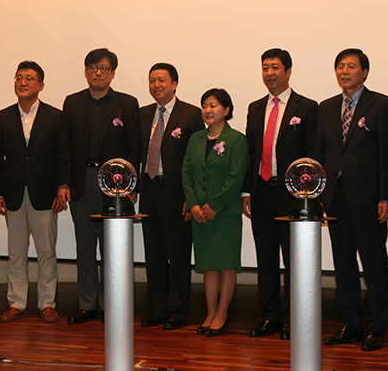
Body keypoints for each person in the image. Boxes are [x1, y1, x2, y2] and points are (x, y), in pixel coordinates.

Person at [315, 48, 388, 351]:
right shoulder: (326, 107)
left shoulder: (382, 105)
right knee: (343, 265)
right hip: (335, 200)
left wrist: (387, 196)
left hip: (369, 200)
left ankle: (377, 326)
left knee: (374, 267)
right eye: (339, 66)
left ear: (364, 72)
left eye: (351, 66)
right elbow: (320, 154)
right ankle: (351, 323)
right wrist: (320, 195)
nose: (344, 71)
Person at [57, 48, 140, 324]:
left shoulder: (127, 104)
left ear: (113, 73)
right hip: (81, 183)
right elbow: (65, 147)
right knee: (85, 247)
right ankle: (87, 304)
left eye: (104, 68)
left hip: (115, 185)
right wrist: (64, 183)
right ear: (85, 71)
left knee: (111, 248)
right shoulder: (72, 102)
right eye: (93, 67)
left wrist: (132, 186)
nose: (98, 72)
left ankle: (110, 305)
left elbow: (134, 148)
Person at [242, 48, 318, 340]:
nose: (269, 73)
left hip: (292, 196)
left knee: (294, 261)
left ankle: (293, 318)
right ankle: (270, 316)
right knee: (267, 259)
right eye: (265, 67)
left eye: (275, 67)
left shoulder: (307, 107)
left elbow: (312, 154)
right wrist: (246, 191)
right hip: (261, 193)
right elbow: (251, 150)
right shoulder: (254, 107)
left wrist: (307, 195)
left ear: (288, 71)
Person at [0, 61, 65, 323]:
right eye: (19, 78)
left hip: (45, 194)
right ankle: (16, 303)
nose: (23, 82)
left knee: (46, 252)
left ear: (41, 85)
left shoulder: (55, 116)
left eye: (29, 78)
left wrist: (61, 189)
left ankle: (47, 303)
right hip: (12, 194)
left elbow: (62, 156)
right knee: (16, 252)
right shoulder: (3, 116)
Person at [138, 63, 204, 330]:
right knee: (153, 252)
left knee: (177, 252)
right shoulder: (143, 114)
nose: (156, 85)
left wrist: (193, 196)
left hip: (177, 193)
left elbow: (198, 158)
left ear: (175, 83)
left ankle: (178, 308)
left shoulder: (191, 114)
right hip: (149, 190)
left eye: (161, 80)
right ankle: (159, 305)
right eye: (152, 80)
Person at [182, 88, 249, 337]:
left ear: (227, 110)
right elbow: (186, 173)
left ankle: (222, 314)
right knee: (208, 266)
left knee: (226, 266)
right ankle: (209, 314)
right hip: (200, 213)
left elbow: (235, 178)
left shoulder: (236, 140)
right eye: (205, 106)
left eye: (214, 106)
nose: (208, 111)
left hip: (225, 213)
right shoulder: (196, 138)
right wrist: (194, 205)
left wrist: (214, 206)